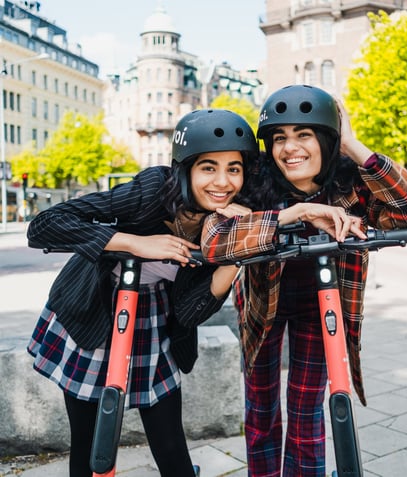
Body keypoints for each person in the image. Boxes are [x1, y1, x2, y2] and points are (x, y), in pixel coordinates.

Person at [199, 85, 407, 476]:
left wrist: (352, 143)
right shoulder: (257, 180)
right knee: (260, 409)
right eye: (280, 138)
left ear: (326, 139)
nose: (289, 148)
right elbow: (215, 237)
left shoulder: (352, 183)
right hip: (262, 304)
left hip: (321, 306)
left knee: (307, 409)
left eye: (304, 134)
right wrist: (297, 213)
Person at [26, 108, 258, 477]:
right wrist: (136, 243)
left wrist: (237, 252)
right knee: (90, 444)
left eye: (234, 168)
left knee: (171, 447)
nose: (223, 181)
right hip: (96, 312)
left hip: (156, 319)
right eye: (208, 167)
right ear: (186, 169)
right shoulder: (153, 190)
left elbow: (190, 313)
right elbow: (45, 225)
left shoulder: (228, 221)